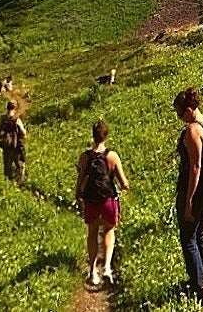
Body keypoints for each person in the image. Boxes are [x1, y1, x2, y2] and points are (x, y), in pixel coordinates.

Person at [76, 119, 130, 287]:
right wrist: (125, 187)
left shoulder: (85, 157)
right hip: (108, 200)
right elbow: (124, 183)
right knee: (108, 230)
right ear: (106, 136)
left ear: (93, 136)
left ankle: (92, 271)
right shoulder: (112, 156)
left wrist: (78, 194)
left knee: (92, 233)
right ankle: (106, 267)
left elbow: (80, 179)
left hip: (91, 200)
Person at [174, 87, 203, 301]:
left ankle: (199, 288)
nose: (179, 118)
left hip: (194, 190)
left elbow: (195, 167)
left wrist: (189, 200)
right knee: (201, 235)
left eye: (180, 113)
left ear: (189, 110)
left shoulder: (193, 130)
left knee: (188, 238)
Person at [0, 99, 26, 183]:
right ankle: (20, 183)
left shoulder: (2, 119)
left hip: (6, 146)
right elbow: (23, 133)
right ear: (15, 108)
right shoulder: (16, 120)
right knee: (20, 165)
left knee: (7, 166)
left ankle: (8, 183)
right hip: (16, 146)